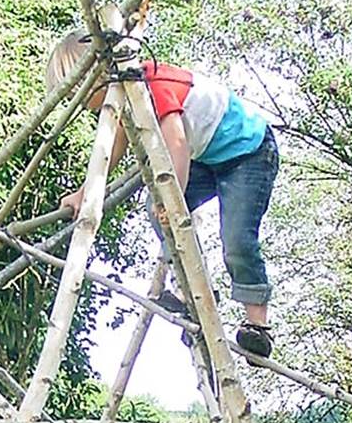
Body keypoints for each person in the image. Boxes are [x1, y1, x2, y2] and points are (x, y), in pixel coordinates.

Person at [46, 32, 277, 359]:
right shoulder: (126, 100)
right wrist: (86, 193)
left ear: (97, 76)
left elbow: (176, 145)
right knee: (156, 210)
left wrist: (174, 198)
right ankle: (195, 291)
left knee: (237, 239)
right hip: (207, 157)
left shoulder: (152, 85)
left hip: (248, 151)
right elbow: (113, 148)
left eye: (80, 93)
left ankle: (258, 325)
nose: (81, 102)